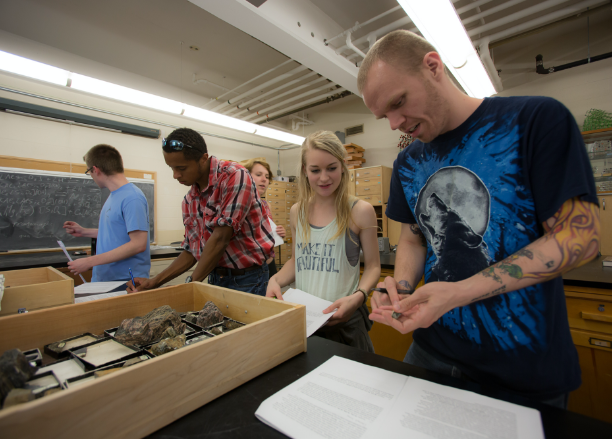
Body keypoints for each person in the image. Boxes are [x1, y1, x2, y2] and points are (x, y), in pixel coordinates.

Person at [358, 30, 600, 407]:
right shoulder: (408, 162)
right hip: (431, 354)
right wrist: (401, 288)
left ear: (433, 67)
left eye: (399, 102)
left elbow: (580, 238)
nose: (394, 123)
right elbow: (413, 238)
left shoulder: (535, 120)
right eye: (383, 114)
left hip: (521, 369)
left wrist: (458, 291)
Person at [266, 131, 381, 351]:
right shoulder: (297, 212)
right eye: (315, 170)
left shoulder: (360, 211)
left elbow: (374, 266)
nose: (324, 178)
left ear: (343, 166)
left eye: (332, 168)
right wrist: (276, 280)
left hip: (345, 325)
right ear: (304, 171)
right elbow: (296, 261)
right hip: (307, 323)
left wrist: (358, 297)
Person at [129, 128, 274, 295]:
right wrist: (153, 283)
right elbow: (192, 251)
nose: (175, 175)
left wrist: (190, 285)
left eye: (181, 168)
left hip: (247, 279)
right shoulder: (190, 200)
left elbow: (221, 238)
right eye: (172, 168)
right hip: (215, 277)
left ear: (204, 159)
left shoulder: (234, 176)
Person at [63, 144, 150, 283]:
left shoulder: (132, 197)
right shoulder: (113, 196)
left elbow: (138, 244)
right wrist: (84, 232)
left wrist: (89, 261)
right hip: (105, 280)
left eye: (88, 172)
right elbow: (116, 233)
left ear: (95, 170)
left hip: (124, 282)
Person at [243, 158, 286, 277]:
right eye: (258, 175)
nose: (264, 180)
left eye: (267, 177)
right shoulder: (240, 205)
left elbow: (268, 232)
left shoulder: (267, 205)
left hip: (269, 264)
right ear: (246, 176)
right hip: (250, 270)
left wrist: (278, 232)